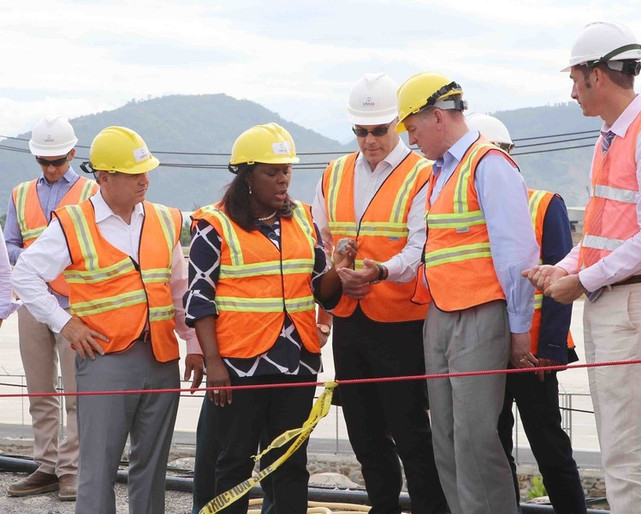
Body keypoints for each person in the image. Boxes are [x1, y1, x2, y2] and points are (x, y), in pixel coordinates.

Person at [524, 21, 641, 513]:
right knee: (630, 445)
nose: (572, 91)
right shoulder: (611, 137)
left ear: (598, 75)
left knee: (624, 448)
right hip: (613, 301)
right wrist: (563, 268)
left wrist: (580, 280)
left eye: (575, 79)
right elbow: (598, 231)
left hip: (632, 303)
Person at [11, 125, 204, 514]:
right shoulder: (74, 223)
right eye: (135, 174)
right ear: (104, 178)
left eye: (147, 172)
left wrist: (194, 345)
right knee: (96, 472)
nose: (145, 181)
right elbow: (24, 275)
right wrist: (65, 324)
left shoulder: (165, 219)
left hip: (161, 359)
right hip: (105, 361)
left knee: (152, 472)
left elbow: (179, 288)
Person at [186, 123, 354, 514]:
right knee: (234, 463)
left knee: (290, 464)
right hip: (240, 365)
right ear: (246, 176)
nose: (283, 180)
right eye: (272, 172)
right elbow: (199, 300)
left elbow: (320, 289)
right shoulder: (215, 226)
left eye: (287, 171)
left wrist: (338, 269)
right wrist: (214, 365)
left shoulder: (302, 219)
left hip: (296, 361)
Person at [397, 72, 539, 514]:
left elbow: (517, 256)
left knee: (477, 440)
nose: (412, 139)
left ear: (437, 116)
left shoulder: (488, 164)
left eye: (413, 129)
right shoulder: (438, 174)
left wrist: (519, 330)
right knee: (448, 438)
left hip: (479, 315)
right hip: (441, 315)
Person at [312, 73, 447, 514]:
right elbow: (321, 239)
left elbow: (421, 245)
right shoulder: (334, 174)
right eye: (360, 131)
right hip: (352, 322)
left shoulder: (425, 174)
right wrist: (339, 267)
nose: (369, 140)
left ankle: (431, 508)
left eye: (378, 130)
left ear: (399, 125)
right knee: (364, 432)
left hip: (402, 323)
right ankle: (383, 506)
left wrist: (381, 271)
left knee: (412, 433)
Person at [466, 113, 586, 514]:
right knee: (494, 448)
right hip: (486, 350)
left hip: (534, 351)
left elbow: (559, 278)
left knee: (548, 444)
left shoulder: (544, 204)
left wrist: (551, 348)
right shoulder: (463, 211)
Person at [4, 116, 97, 501]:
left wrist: (51, 261)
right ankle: (46, 465)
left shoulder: (92, 192)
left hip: (74, 307)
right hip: (31, 305)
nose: (51, 168)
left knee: (76, 395)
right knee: (40, 391)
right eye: (44, 161)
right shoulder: (20, 194)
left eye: (57, 160)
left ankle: (72, 471)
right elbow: (8, 244)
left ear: (72, 153)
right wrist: (34, 260)